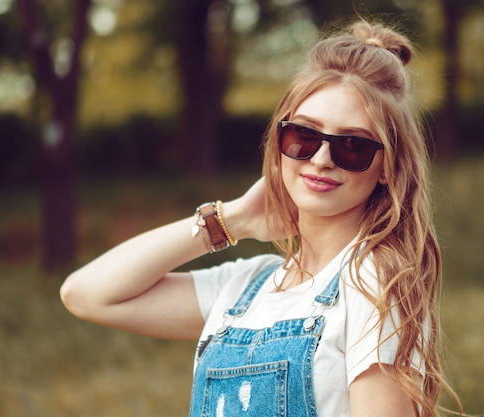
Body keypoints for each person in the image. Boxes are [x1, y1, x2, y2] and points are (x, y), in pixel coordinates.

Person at [60, 18, 461, 417]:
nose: (321, 160)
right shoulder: (244, 289)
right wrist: (231, 220)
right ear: (279, 140)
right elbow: (86, 294)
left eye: (352, 146)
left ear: (388, 166)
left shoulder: (373, 285)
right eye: (303, 136)